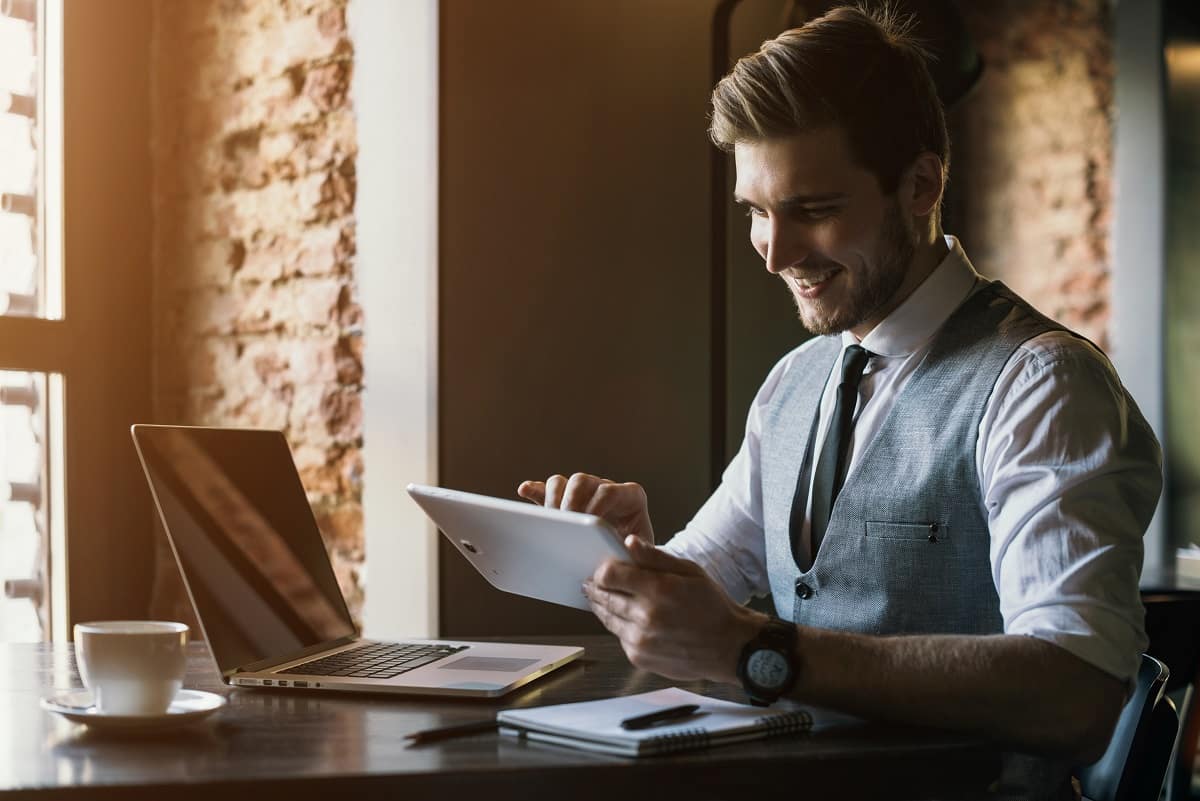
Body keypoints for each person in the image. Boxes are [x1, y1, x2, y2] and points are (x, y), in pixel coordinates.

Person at [519, 4, 1161, 796]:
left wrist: (770, 651)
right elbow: (701, 605)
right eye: (756, 212)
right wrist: (627, 560)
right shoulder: (795, 381)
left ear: (921, 185)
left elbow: (1076, 689)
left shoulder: (1043, 386)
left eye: (813, 211)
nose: (777, 253)